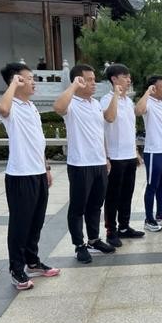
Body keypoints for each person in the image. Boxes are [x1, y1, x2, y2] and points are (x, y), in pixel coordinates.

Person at [0, 62, 60, 290]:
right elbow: (1, 108)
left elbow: (38, 141)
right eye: (29, 78)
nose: (34, 82)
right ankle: (16, 269)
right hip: (20, 175)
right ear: (16, 80)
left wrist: (46, 168)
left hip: (38, 173)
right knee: (20, 225)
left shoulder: (31, 106)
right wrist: (13, 85)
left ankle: (33, 261)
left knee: (36, 222)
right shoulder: (10, 105)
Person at [54, 64, 118, 263]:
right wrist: (73, 86)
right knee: (78, 208)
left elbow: (101, 131)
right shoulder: (71, 103)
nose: (93, 83)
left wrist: (106, 157)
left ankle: (93, 239)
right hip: (80, 164)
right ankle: (79, 245)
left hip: (99, 162)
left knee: (96, 205)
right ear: (78, 81)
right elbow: (58, 108)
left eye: (93, 79)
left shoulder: (95, 104)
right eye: (88, 80)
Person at [100, 64, 145, 248]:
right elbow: (109, 119)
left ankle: (124, 227)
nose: (129, 80)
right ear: (114, 79)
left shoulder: (128, 101)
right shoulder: (106, 100)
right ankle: (111, 231)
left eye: (129, 77)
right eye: (125, 77)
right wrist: (106, 157)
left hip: (129, 155)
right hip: (115, 157)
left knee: (127, 194)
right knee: (113, 196)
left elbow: (130, 129)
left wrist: (136, 152)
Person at [135, 76, 162, 232]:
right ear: (153, 88)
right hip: (154, 152)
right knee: (152, 186)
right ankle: (149, 219)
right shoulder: (148, 103)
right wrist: (147, 93)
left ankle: (160, 214)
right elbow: (138, 111)